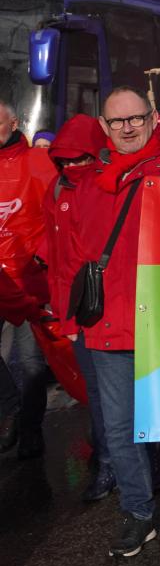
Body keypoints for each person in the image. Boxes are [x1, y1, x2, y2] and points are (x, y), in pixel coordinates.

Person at [61, 87, 160, 558]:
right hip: (108, 324)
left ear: (153, 118)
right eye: (117, 122)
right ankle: (137, 512)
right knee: (119, 428)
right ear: (104, 127)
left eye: (137, 118)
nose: (128, 127)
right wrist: (73, 314)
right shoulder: (89, 181)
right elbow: (74, 254)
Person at [41, 114, 115, 501]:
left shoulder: (113, 183)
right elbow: (55, 259)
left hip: (115, 306)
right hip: (81, 312)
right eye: (63, 161)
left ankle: (137, 462)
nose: (70, 167)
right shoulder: (55, 189)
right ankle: (107, 463)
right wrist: (64, 316)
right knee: (100, 395)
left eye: (77, 159)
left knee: (124, 393)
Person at [0, 100, 56, 460]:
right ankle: (12, 412)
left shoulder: (37, 163)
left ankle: (31, 429)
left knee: (33, 364)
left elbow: (61, 215)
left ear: (14, 122)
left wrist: (41, 255)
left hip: (27, 280)